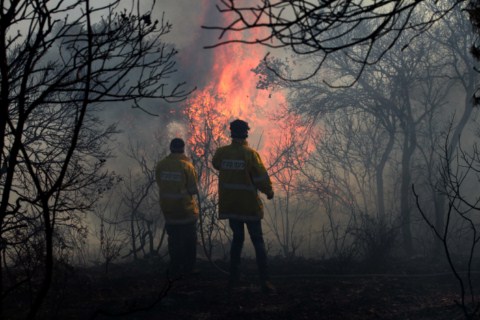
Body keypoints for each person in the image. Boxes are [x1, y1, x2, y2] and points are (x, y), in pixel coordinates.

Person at [212, 119, 275, 293]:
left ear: (231, 133)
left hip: (232, 206)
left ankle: (233, 280)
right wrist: (269, 191)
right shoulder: (250, 154)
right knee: (258, 241)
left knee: (237, 241)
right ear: (246, 133)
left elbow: (215, 163)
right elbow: (261, 177)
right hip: (249, 207)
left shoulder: (222, 153)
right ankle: (265, 281)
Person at [155, 138, 199, 277]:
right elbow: (193, 190)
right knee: (189, 241)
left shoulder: (161, 165)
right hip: (186, 211)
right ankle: (188, 269)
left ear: (170, 148)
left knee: (173, 240)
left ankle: (174, 268)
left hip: (168, 210)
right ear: (183, 148)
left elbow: (159, 182)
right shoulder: (187, 166)